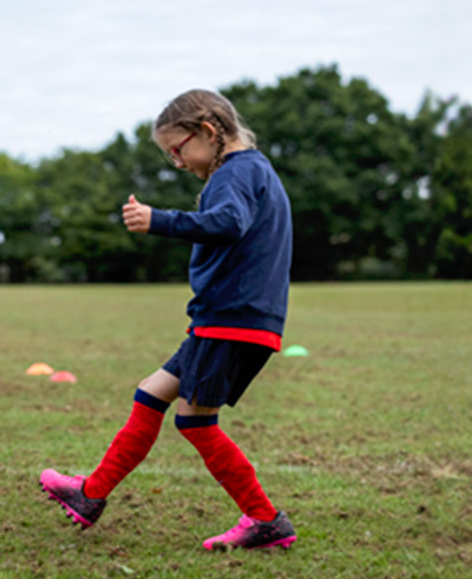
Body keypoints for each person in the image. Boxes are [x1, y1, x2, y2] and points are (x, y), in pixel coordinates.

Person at [38, 89, 298, 551]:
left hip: (230, 320)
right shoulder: (254, 169)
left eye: (177, 150)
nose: (177, 162)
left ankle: (265, 519)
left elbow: (228, 223)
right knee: (152, 391)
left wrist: (160, 220)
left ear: (208, 131)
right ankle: (90, 495)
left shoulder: (235, 172)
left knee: (196, 422)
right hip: (227, 319)